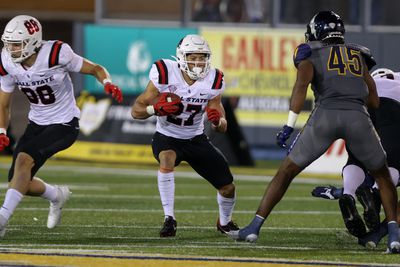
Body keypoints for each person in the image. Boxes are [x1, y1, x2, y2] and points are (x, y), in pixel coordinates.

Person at [227, 11, 400, 253]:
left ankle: (254, 227)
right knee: (382, 176)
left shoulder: (309, 52)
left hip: (325, 116)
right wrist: (363, 115)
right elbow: (372, 94)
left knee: (286, 172)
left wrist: (289, 125)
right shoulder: (358, 53)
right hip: (357, 116)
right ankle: (393, 235)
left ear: (316, 32)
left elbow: (301, 86)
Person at [0, 15, 123, 237]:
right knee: (18, 182)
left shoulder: (56, 53)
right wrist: (1, 130)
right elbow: (3, 104)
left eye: (16, 44)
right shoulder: (7, 62)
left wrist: (107, 82)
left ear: (33, 41)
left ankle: (2, 219)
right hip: (36, 123)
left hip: (64, 123)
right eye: (9, 44)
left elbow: (95, 68)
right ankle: (56, 195)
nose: (11, 49)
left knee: (23, 160)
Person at [131, 34, 238, 237]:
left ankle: (225, 223)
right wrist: (156, 109)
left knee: (228, 187)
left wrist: (217, 121)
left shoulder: (214, 79)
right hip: (167, 136)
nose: (198, 63)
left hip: (195, 138)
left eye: (202, 57)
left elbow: (222, 127)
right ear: (181, 57)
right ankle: (169, 218)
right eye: (193, 57)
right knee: (167, 158)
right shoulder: (165, 73)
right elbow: (136, 111)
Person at [312, 67, 400, 248]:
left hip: (363, 107)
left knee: (356, 159)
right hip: (394, 110)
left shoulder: (370, 81)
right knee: (394, 162)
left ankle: (348, 192)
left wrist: (337, 192)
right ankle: (376, 196)